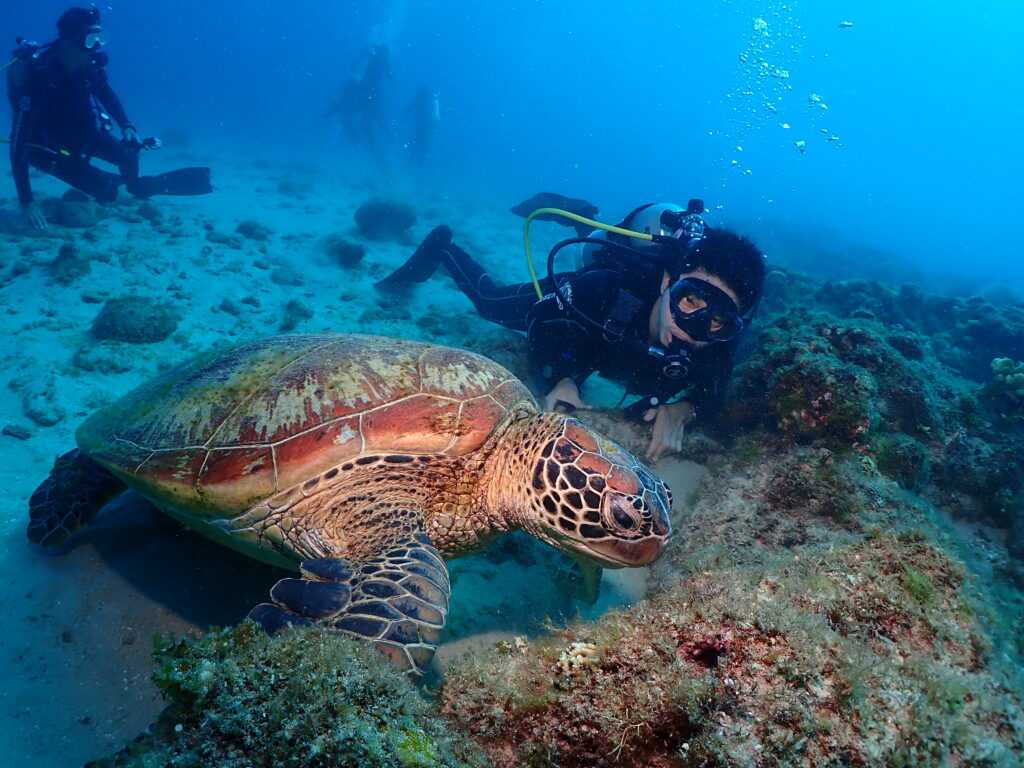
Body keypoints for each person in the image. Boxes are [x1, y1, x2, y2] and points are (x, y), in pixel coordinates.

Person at [376, 200, 766, 462]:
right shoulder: (608, 288)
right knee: (491, 303)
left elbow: (715, 392)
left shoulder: (715, 346)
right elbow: (544, 321)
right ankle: (443, 247)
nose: (694, 327)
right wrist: (561, 377)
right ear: (667, 281)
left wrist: (685, 408)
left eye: (719, 321)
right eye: (690, 300)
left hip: (607, 346)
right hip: (586, 317)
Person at [6, 7, 212, 229]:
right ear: (68, 40)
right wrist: (27, 201)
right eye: (90, 39)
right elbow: (18, 143)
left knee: (129, 158)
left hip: (82, 133)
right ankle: (110, 186)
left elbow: (106, 93)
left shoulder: (87, 66)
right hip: (46, 148)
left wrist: (126, 125)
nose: (96, 47)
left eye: (100, 38)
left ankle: (131, 186)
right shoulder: (39, 78)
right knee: (110, 194)